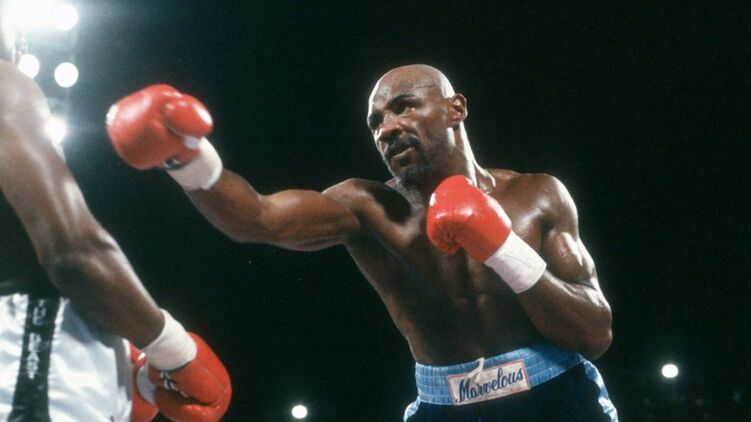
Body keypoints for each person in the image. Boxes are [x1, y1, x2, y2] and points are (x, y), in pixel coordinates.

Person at [107, 64, 618, 421]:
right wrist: (185, 158)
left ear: (455, 108)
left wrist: (502, 247)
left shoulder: (535, 195)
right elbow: (258, 218)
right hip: (447, 408)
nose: (388, 129)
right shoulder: (368, 208)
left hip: (559, 396)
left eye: (404, 107)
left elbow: (594, 333)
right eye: (376, 123)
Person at [0, 7, 230, 422]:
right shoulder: (5, 84)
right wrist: (174, 349)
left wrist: (123, 373)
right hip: (32, 367)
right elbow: (74, 253)